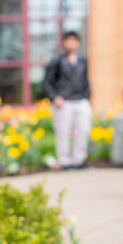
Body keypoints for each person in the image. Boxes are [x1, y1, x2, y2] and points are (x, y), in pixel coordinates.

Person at [42, 31, 92, 170]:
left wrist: (87, 96)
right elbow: (47, 82)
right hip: (63, 102)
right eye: (69, 40)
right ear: (64, 42)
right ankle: (64, 161)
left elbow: (85, 80)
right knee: (63, 133)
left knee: (83, 130)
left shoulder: (82, 59)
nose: (72, 43)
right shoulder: (56, 60)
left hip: (80, 100)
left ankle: (79, 159)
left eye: (74, 40)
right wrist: (54, 97)